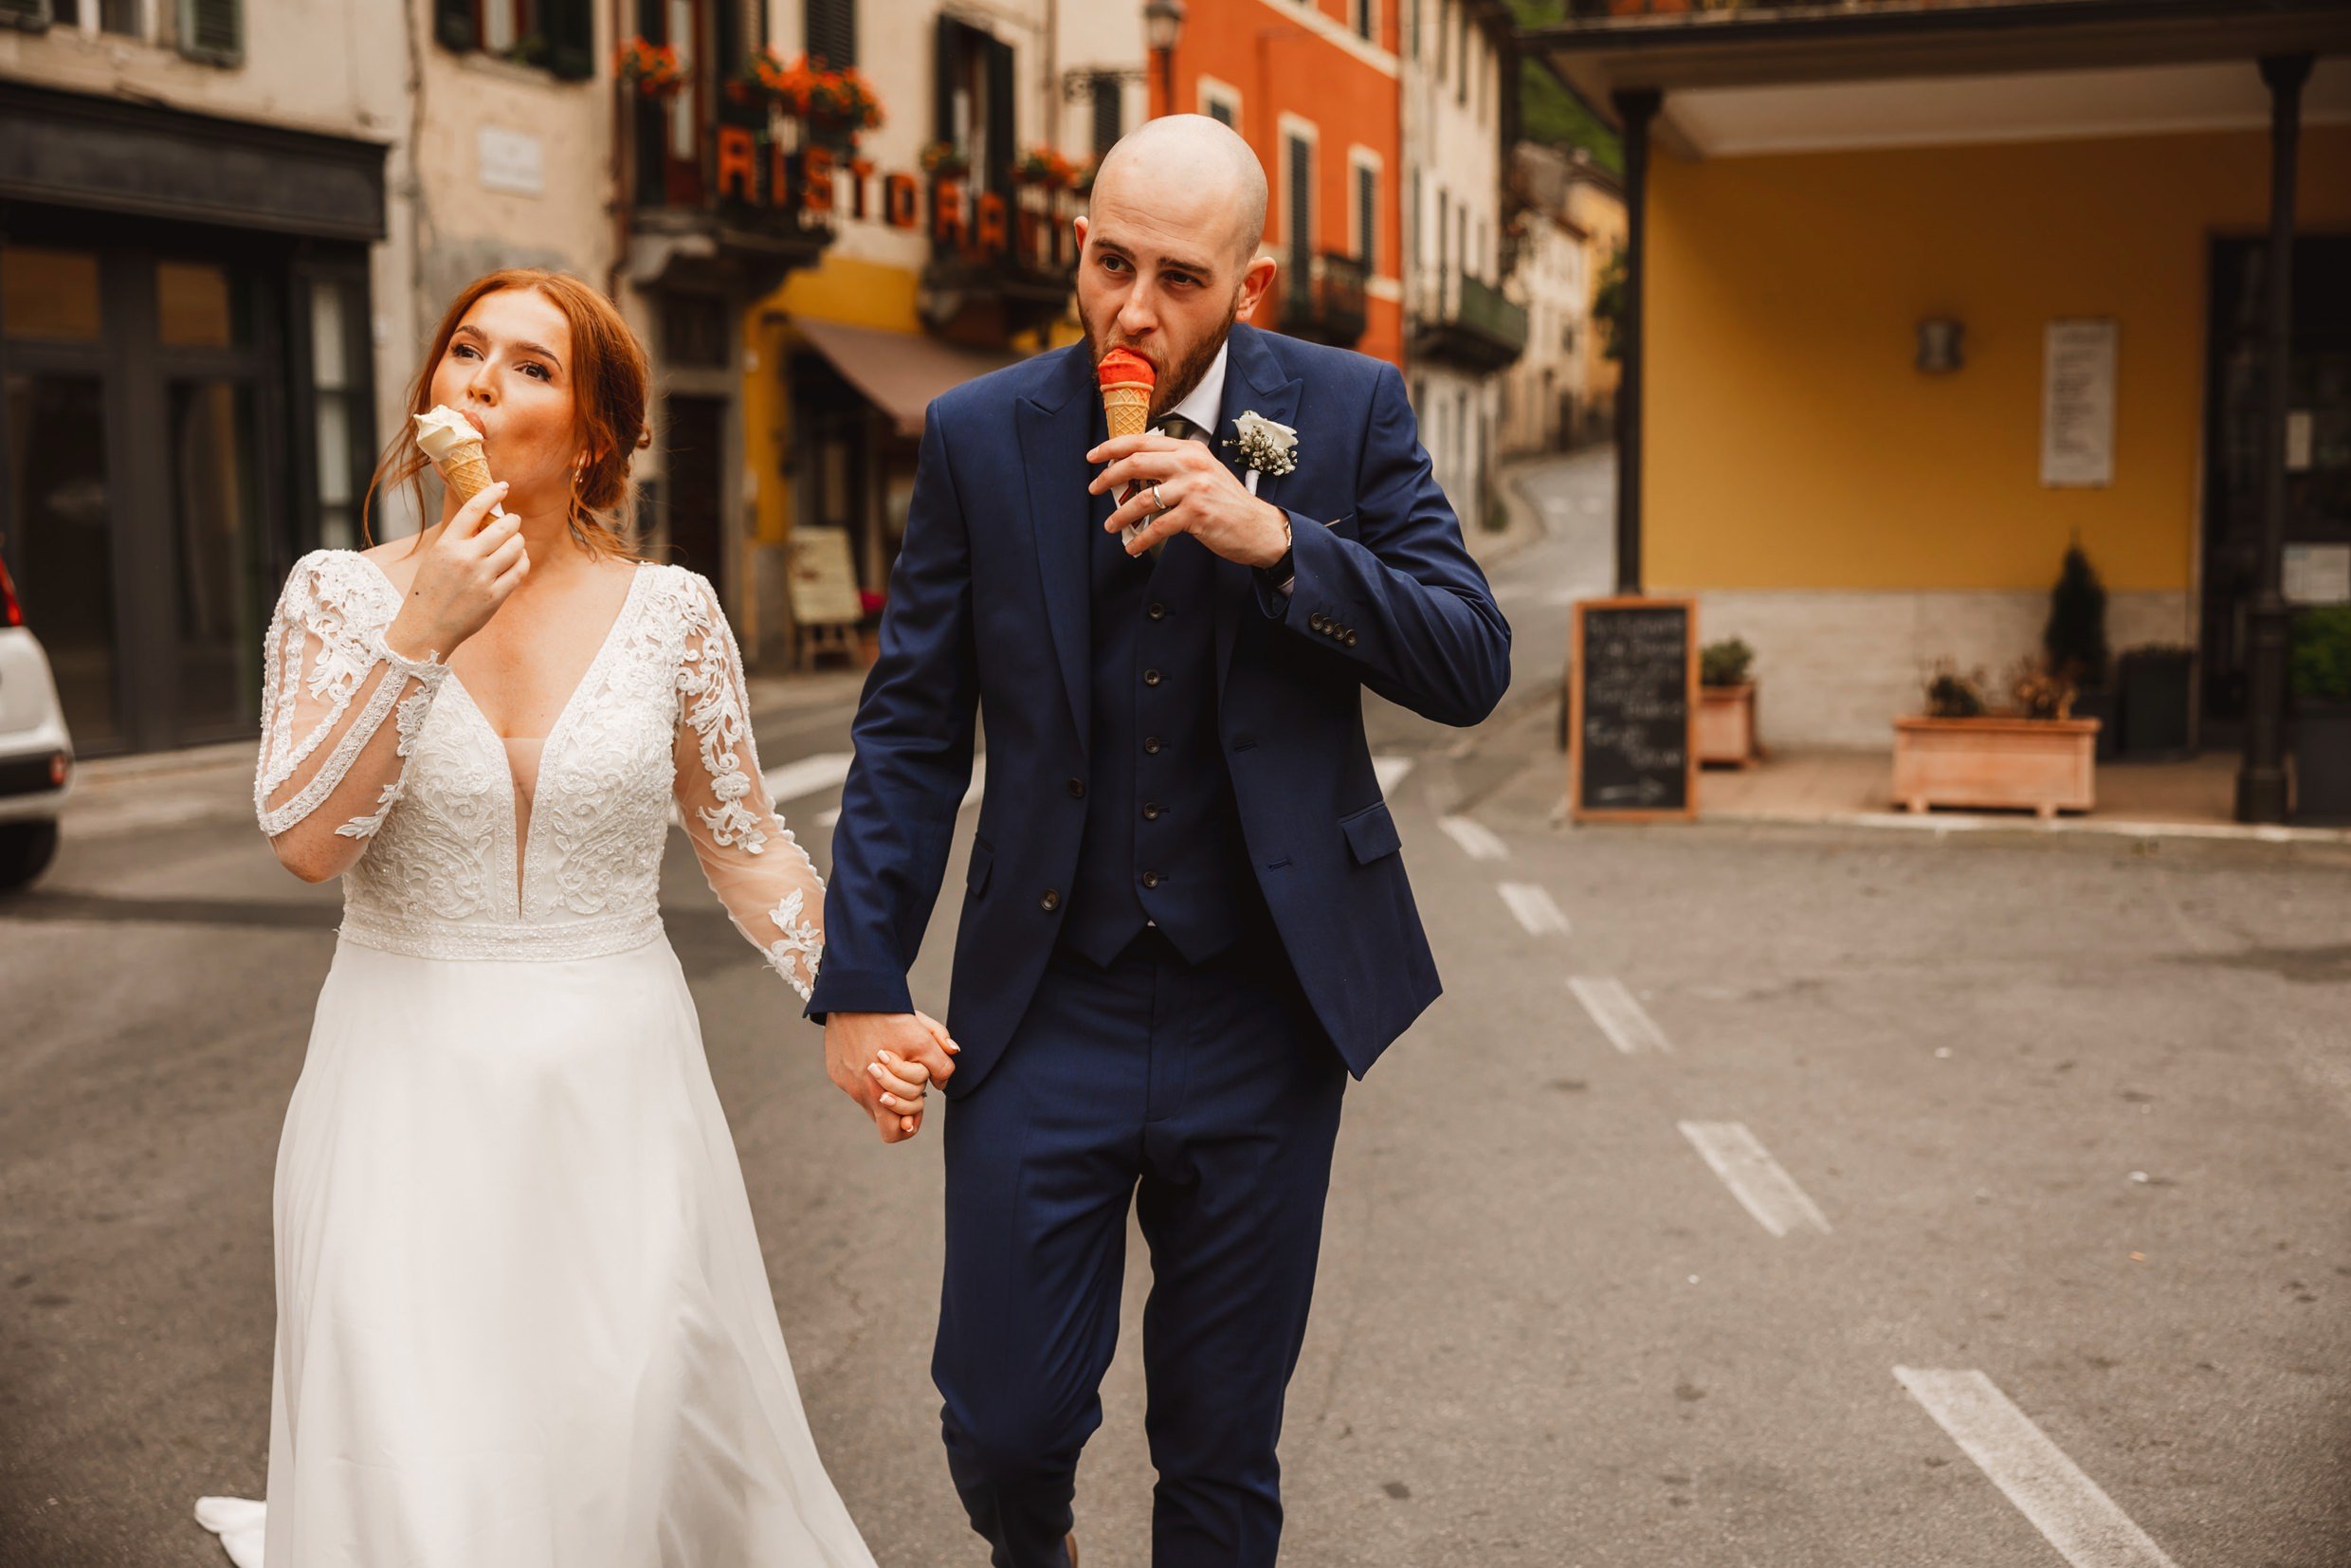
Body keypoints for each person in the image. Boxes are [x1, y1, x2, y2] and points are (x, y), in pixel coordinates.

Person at [811, 118, 1512, 1567]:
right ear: (1080, 247)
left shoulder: (1350, 410)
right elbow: (912, 729)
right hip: (1045, 994)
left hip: (1264, 1004)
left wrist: (1281, 545)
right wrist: (863, 969)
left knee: (1218, 1446)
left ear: (1249, 291)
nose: (1135, 309)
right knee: (1003, 1421)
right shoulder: (978, 434)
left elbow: (1470, 661)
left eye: (1179, 278)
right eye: (1110, 261)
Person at [195, 267, 939, 1568]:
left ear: (592, 434)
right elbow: (306, 840)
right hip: (401, 1086)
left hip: (620, 1095)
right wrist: (418, 634)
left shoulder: (673, 617)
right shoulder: (342, 594)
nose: (481, 380)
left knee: (625, 1434)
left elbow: (749, 845)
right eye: (465, 351)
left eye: (532, 366)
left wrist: (857, 993)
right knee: (422, 1449)